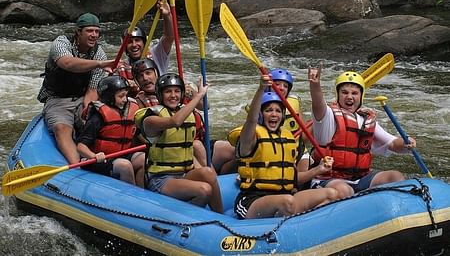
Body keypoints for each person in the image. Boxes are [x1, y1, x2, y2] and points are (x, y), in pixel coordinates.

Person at [234, 74, 337, 219]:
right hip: (252, 201)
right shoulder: (250, 138)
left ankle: (302, 229)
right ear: (261, 115)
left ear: (283, 116)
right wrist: (261, 88)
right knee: (287, 202)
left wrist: (318, 169)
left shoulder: (287, 138)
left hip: (286, 198)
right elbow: (251, 120)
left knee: (331, 194)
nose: (274, 114)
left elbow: (295, 179)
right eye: (268, 110)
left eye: (278, 111)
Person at [307, 66, 417, 198]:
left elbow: (393, 143)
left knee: (395, 177)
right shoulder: (327, 116)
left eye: (354, 93)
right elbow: (318, 103)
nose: (349, 97)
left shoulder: (366, 121)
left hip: (360, 179)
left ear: (361, 96)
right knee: (345, 191)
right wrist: (315, 84)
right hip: (328, 179)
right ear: (338, 95)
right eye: (344, 92)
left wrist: (407, 142)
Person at [134, 73, 223, 213]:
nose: (173, 95)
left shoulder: (184, 111)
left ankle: (221, 216)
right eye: (168, 91)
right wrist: (199, 96)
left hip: (183, 174)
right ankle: (187, 219)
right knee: (204, 190)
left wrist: (196, 93)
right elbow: (175, 121)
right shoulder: (150, 118)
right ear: (159, 94)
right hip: (160, 180)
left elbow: (205, 107)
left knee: (208, 173)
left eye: (177, 91)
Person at [37, 13, 115, 164]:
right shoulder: (61, 43)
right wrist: (99, 64)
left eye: (97, 31)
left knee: (97, 120)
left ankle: (102, 159)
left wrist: (87, 112)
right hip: (57, 99)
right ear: (78, 32)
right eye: (89, 31)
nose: (94, 35)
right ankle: (76, 165)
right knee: (61, 128)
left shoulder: (99, 53)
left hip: (81, 99)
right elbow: (68, 63)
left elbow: (92, 91)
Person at [77, 75, 145, 186]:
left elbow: (136, 134)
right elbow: (80, 147)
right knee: (125, 165)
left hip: (120, 156)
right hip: (98, 160)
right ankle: (131, 196)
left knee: (142, 158)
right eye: (121, 96)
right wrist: (93, 156)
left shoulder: (129, 112)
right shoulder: (97, 118)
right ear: (109, 97)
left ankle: (143, 192)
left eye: (126, 95)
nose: (125, 99)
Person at [116, 0, 174, 95]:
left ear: (144, 43)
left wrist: (167, 16)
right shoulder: (121, 67)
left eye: (137, 40)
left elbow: (169, 37)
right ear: (125, 47)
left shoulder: (156, 54)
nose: (134, 45)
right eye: (130, 42)